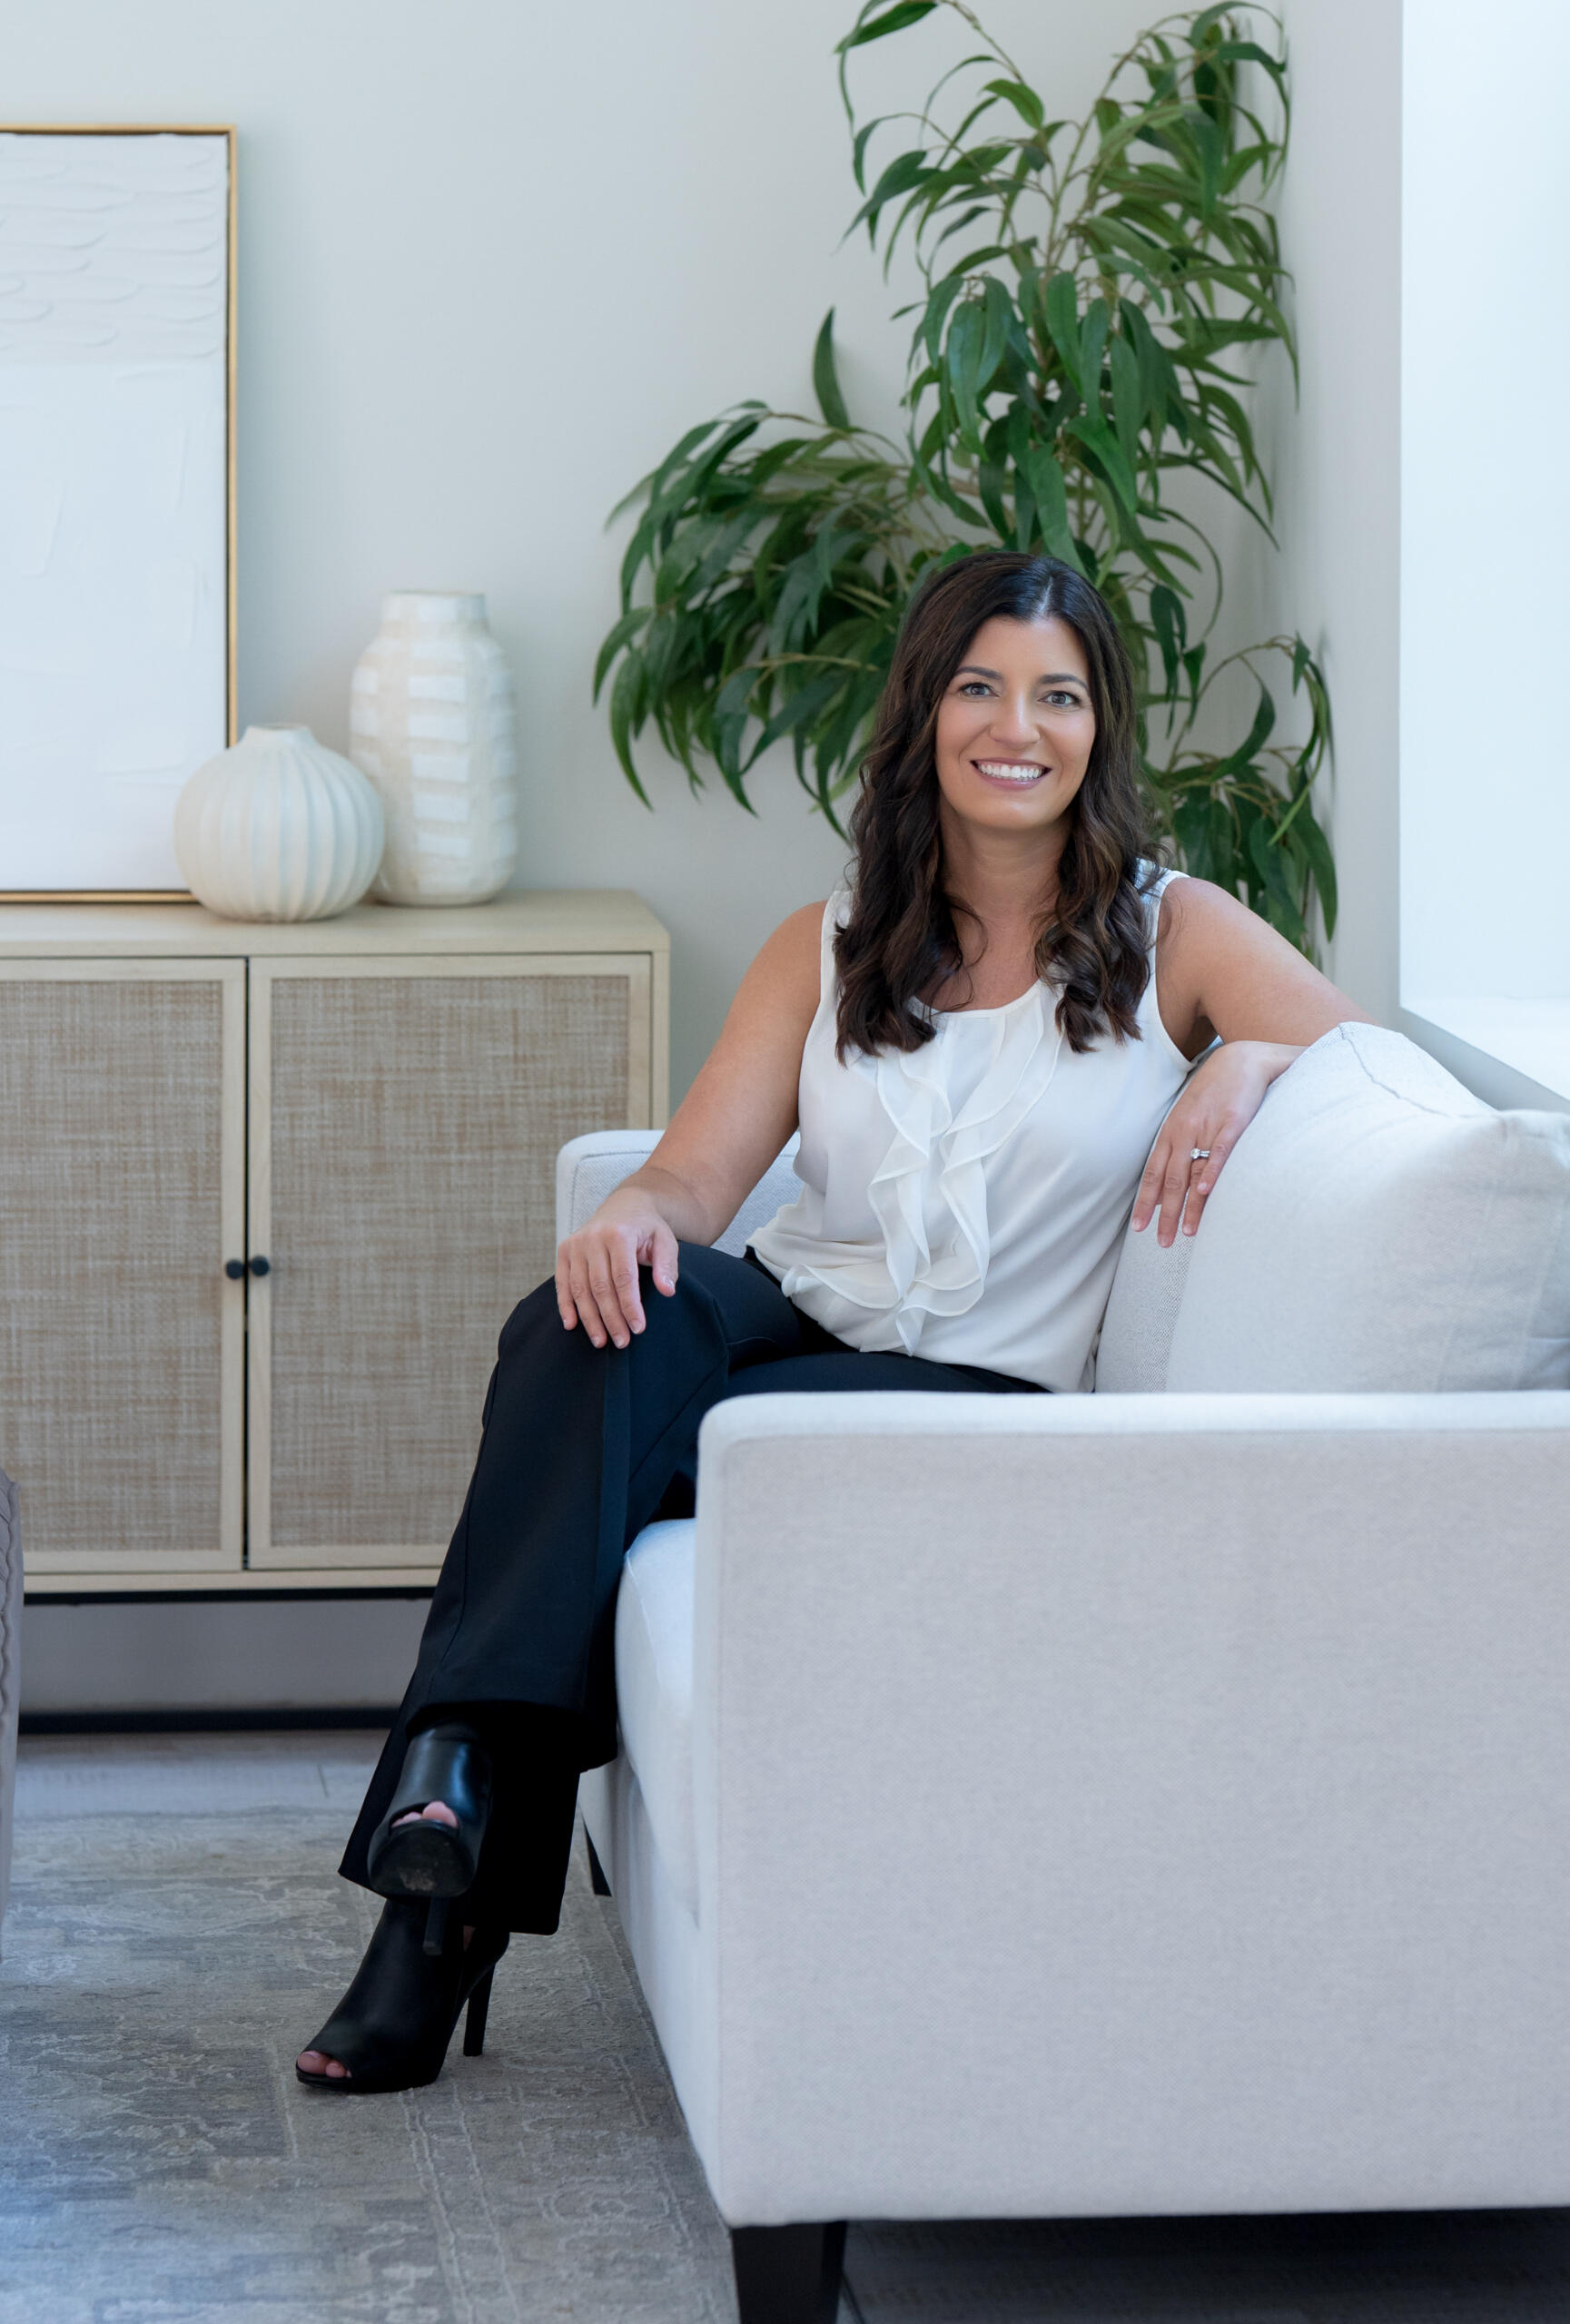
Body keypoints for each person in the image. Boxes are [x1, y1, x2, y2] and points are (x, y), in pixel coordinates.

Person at [296, 549, 1368, 2093]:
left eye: (1056, 695)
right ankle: (451, 1801)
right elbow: (693, 1176)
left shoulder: (1176, 931)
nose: (1019, 725)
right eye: (980, 686)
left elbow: (1382, 1068)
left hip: (972, 1392)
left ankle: (438, 1883)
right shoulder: (829, 936)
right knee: (584, 1321)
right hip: (789, 1324)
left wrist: (1256, 1062)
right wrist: (627, 1223)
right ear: (925, 715)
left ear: (1098, 727)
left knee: (608, 1438)